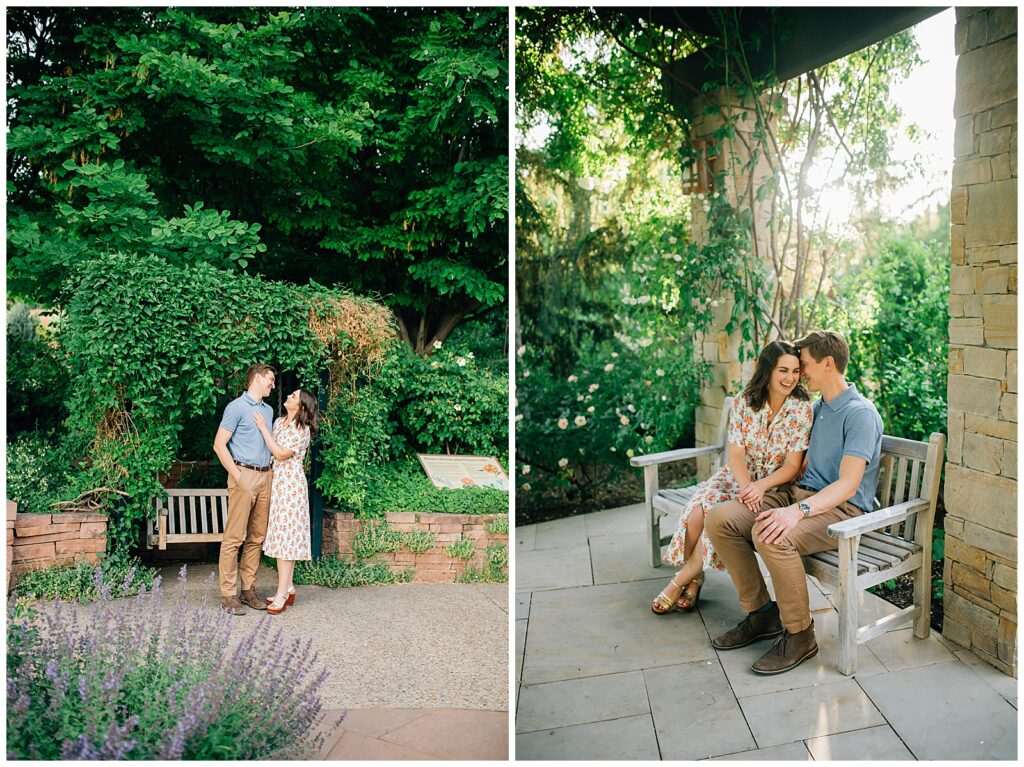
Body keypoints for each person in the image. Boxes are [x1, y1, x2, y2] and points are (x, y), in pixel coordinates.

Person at [706, 330, 883, 675]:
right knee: (721, 519)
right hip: (799, 495)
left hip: (841, 511)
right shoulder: (816, 409)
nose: (800, 373)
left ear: (827, 364)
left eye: (804, 365)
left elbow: (848, 485)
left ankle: (801, 635)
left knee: (772, 534)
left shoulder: (860, 413)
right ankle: (762, 614)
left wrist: (796, 511)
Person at [652, 341, 813, 614]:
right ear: (768, 370)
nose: (790, 378)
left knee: (717, 517)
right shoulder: (744, 401)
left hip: (774, 486)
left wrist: (760, 487)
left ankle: (682, 579)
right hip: (737, 477)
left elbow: (791, 465)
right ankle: (696, 579)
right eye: (783, 370)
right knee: (695, 515)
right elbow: (735, 454)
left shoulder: (801, 410)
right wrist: (747, 486)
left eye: (795, 371)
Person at [213, 363, 277, 615]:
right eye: (270, 379)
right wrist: (238, 477)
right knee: (233, 539)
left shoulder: (269, 411)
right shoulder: (236, 407)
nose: (273, 384)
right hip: (244, 476)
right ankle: (228, 595)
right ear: (257, 379)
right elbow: (219, 445)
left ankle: (248, 590)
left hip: (266, 476)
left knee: (256, 538)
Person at [253, 389, 318, 615]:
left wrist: (263, 428)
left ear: (300, 406)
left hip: (291, 486)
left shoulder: (302, 430)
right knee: (282, 535)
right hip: (278, 483)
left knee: (286, 540)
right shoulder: (280, 422)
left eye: (293, 396)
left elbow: (280, 453)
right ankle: (288, 587)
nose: (289, 397)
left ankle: (282, 593)